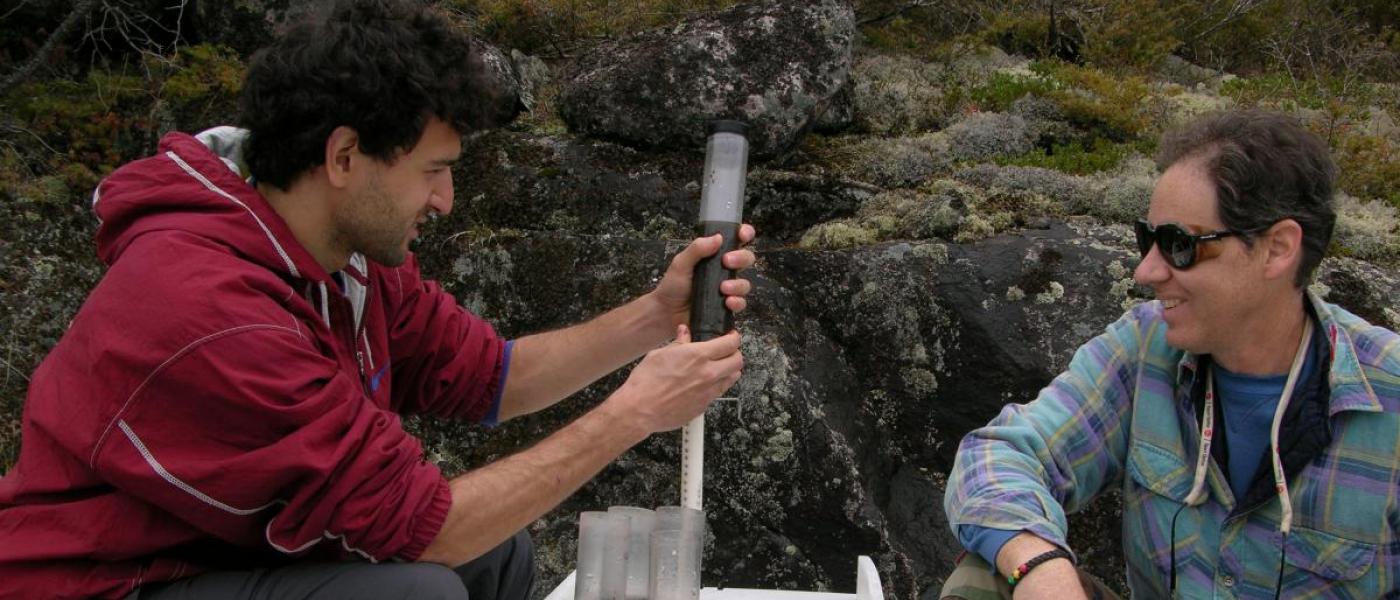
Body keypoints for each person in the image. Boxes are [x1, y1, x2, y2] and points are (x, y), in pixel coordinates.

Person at [0, 1, 755, 599]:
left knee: (497, 556)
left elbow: (494, 375)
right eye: (433, 170)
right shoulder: (209, 310)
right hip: (103, 584)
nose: (447, 200)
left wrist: (653, 317)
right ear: (344, 157)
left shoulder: (341, 259)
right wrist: (635, 414)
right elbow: (429, 531)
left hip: (209, 563)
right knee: (415, 588)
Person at [941, 109, 1400, 599]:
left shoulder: (1388, 393)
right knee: (988, 578)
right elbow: (1000, 455)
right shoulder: (1144, 350)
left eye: (1179, 244)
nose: (1147, 270)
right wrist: (1039, 565)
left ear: (1278, 248)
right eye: (1148, 239)